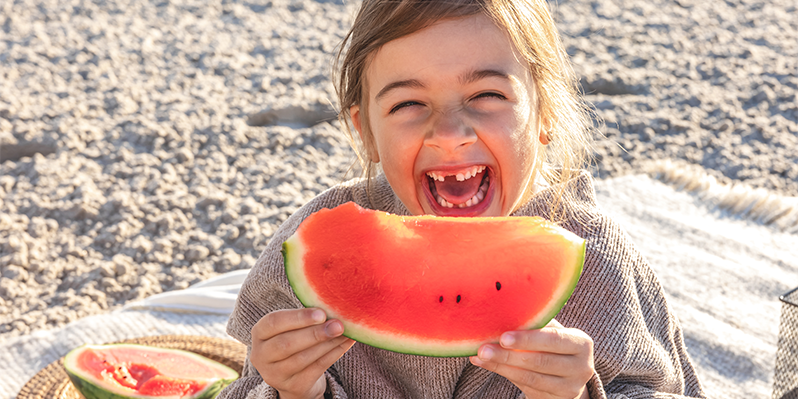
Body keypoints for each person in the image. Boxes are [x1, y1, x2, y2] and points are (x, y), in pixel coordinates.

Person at [220, 0, 707, 397]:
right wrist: (290, 391)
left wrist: (579, 395)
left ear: (545, 114)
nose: (449, 134)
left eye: (486, 95)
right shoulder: (317, 245)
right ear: (364, 130)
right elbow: (248, 385)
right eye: (408, 103)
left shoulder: (595, 256)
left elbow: (665, 390)